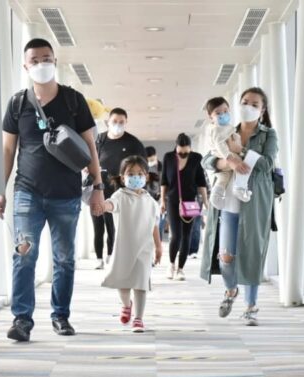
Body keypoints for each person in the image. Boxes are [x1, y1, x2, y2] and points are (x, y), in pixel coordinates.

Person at [0, 38, 105, 340]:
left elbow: (91, 146)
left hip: (66, 194)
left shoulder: (73, 100)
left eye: (47, 58)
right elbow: (7, 150)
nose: (41, 64)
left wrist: (98, 187)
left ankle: (61, 316)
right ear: (25, 66)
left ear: (54, 61)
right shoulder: (17, 104)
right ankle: (21, 320)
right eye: (35, 60)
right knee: (24, 255)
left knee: (64, 259)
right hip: (27, 193)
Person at [200, 87, 278, 326]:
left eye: (255, 104)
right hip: (227, 203)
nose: (248, 107)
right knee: (225, 257)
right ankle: (230, 290)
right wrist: (226, 161)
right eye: (245, 102)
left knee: (252, 254)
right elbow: (207, 159)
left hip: (254, 203)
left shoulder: (268, 134)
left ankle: (251, 306)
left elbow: (267, 164)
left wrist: (242, 156)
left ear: (262, 110)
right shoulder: (226, 130)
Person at [100, 155, 162, 333]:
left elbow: (154, 225)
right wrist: (104, 206)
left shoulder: (150, 201)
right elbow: (111, 205)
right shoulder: (120, 195)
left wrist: (158, 246)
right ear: (122, 177)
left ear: (146, 176)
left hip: (144, 248)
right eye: (131, 174)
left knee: (141, 284)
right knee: (123, 282)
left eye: (140, 173)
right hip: (124, 247)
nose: (136, 177)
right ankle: (127, 305)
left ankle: (139, 318)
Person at [93, 108, 146, 270]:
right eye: (114, 121)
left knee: (113, 225)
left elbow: (142, 167)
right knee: (98, 224)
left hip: (122, 192)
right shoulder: (99, 140)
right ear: (108, 122)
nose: (117, 124)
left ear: (126, 122)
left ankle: (112, 254)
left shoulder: (133, 143)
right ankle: (99, 258)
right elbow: (89, 159)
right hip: (99, 188)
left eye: (121, 122)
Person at [161, 133, 209, 280]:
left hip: (190, 202)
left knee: (187, 235)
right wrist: (163, 201)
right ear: (176, 148)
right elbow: (164, 181)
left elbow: (201, 182)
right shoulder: (168, 157)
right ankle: (171, 265)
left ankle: (181, 269)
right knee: (176, 235)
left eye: (186, 152)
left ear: (190, 149)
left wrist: (206, 202)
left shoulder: (196, 158)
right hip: (173, 201)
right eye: (180, 152)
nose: (183, 155)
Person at [204, 96, 250, 209]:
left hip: (223, 158)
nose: (223, 115)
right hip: (223, 155)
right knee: (239, 164)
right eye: (218, 113)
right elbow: (219, 145)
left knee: (224, 177)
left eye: (225, 111)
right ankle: (239, 188)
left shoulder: (226, 127)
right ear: (210, 116)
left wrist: (238, 148)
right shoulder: (216, 129)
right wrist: (229, 158)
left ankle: (216, 195)